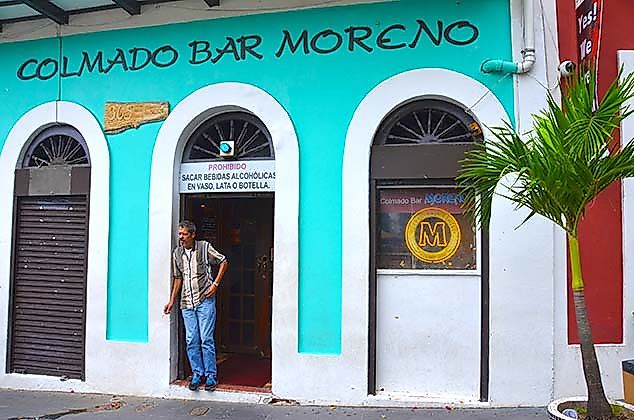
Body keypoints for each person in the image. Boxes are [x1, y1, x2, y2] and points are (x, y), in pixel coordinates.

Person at [163, 220, 228, 391]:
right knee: (192, 340)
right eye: (180, 234)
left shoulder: (204, 247)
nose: (181, 237)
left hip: (204, 300)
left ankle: (211, 376)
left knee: (206, 339)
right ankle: (197, 374)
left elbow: (223, 261)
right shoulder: (177, 254)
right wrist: (171, 300)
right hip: (186, 303)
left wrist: (215, 285)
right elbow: (178, 278)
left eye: (184, 234)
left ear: (193, 235)